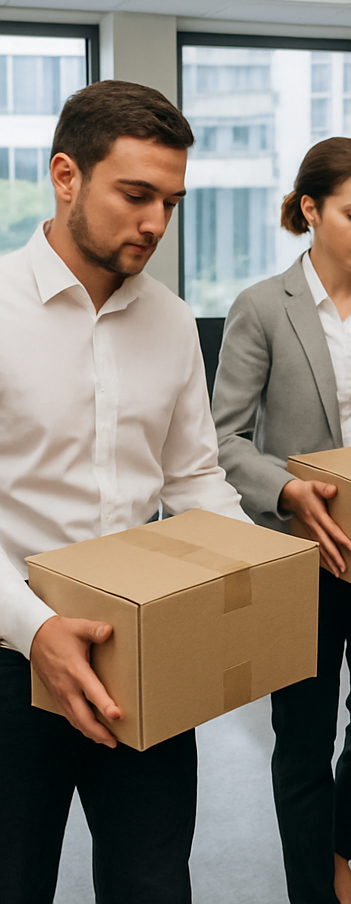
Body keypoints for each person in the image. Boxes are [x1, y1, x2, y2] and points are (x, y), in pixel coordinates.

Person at [0, 79, 252, 904]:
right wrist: (35, 630)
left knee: (152, 884)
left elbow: (192, 478)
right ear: (65, 176)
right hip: (11, 657)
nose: (155, 224)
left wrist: (258, 571)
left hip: (145, 653)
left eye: (171, 203)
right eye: (136, 195)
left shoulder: (175, 322)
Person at [212, 137, 351, 904]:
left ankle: (336, 844)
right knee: (302, 740)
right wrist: (287, 493)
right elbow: (224, 439)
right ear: (311, 210)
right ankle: (317, 886)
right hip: (299, 555)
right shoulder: (260, 308)